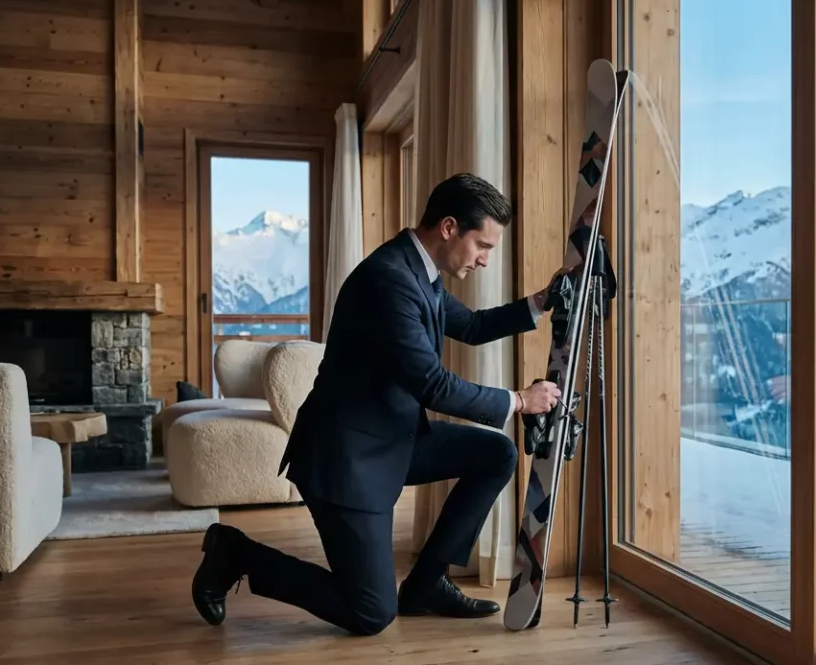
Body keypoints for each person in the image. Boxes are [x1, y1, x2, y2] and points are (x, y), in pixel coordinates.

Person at [189, 172, 564, 636]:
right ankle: (234, 553)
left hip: (392, 440)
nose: (485, 260)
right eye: (482, 246)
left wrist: (541, 301)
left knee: (496, 454)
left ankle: (426, 583)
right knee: (369, 613)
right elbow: (433, 384)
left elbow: (469, 326)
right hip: (347, 460)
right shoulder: (389, 281)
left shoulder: (419, 271)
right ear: (449, 228)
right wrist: (519, 401)